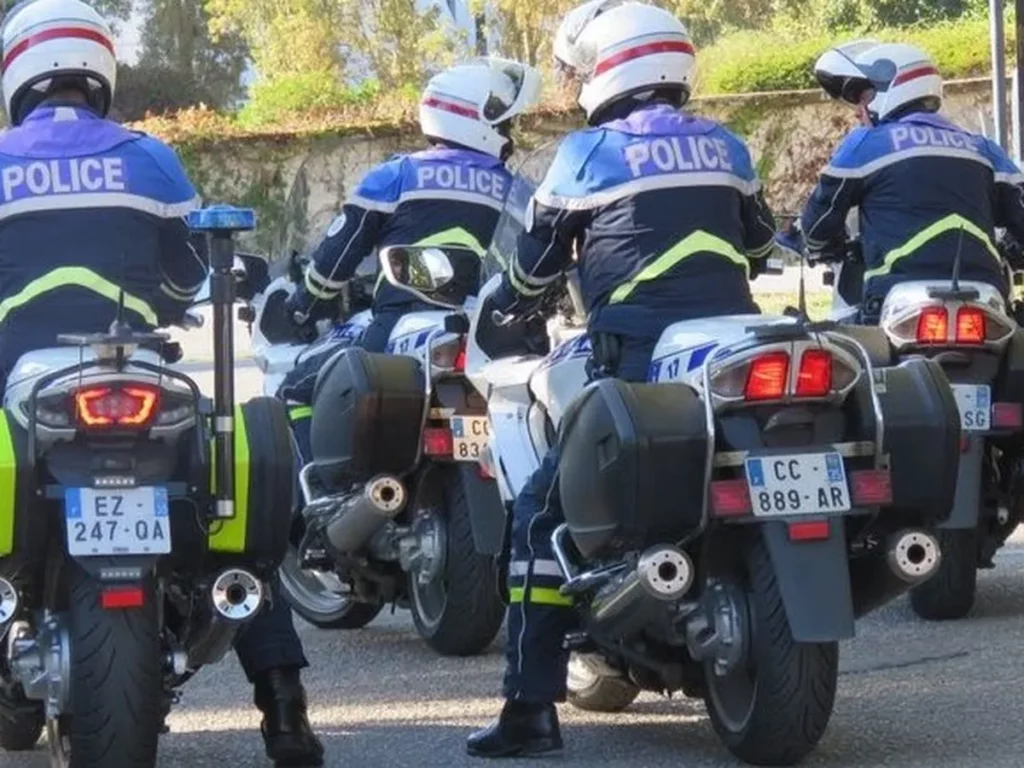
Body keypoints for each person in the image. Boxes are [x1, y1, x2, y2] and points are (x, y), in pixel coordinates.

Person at [0, 2, 323, 765]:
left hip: (21, 382)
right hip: (140, 379)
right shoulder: (150, 158)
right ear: (99, 70)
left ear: (18, 71)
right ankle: (285, 707)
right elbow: (189, 280)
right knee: (230, 537)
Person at [465, 0, 778, 758]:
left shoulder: (589, 153)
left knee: (541, 511)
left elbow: (535, 265)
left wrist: (509, 304)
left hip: (638, 357)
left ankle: (530, 711)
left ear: (607, 67)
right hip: (734, 351)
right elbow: (762, 243)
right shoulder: (727, 146)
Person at [278, 57, 540, 462]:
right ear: (472, 119)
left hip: (398, 325)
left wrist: (300, 307)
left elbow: (337, 257)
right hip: (488, 334)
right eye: (504, 124)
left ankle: (326, 487)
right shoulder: (517, 189)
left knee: (295, 388)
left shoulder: (398, 175)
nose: (509, 134)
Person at [789, 40, 1024, 322]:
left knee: (848, 354)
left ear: (890, 89)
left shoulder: (865, 144)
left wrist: (820, 247)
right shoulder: (984, 149)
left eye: (862, 98)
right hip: (986, 304)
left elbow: (818, 221)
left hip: (892, 304)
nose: (857, 111)